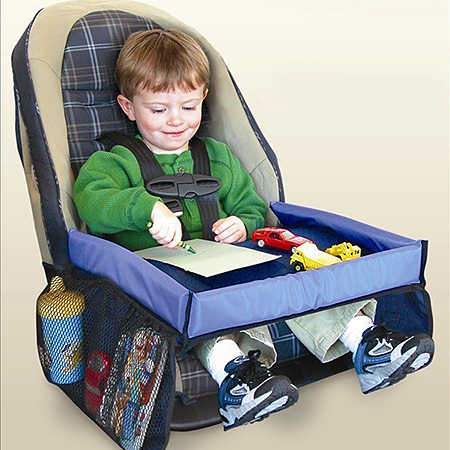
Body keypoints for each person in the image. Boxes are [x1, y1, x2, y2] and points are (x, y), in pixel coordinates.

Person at [73, 29, 434, 431]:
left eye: (188, 107)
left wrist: (241, 224)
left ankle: (367, 344)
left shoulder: (217, 157)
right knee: (201, 307)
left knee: (293, 277)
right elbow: (93, 203)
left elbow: (251, 207)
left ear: (204, 98)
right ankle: (237, 381)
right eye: (158, 110)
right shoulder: (113, 163)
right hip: (162, 274)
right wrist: (146, 208)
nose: (176, 120)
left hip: (227, 262)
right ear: (128, 107)